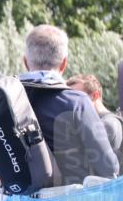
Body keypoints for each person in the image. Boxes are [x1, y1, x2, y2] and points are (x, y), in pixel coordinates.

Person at [19, 25, 118, 183]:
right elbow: (108, 166)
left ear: (25, 62)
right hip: (70, 196)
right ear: (64, 63)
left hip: (20, 197)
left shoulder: (10, 102)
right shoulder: (77, 102)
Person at [67, 74, 123, 165]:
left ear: (95, 96)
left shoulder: (108, 124)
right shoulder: (98, 122)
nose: (73, 102)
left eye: (77, 97)